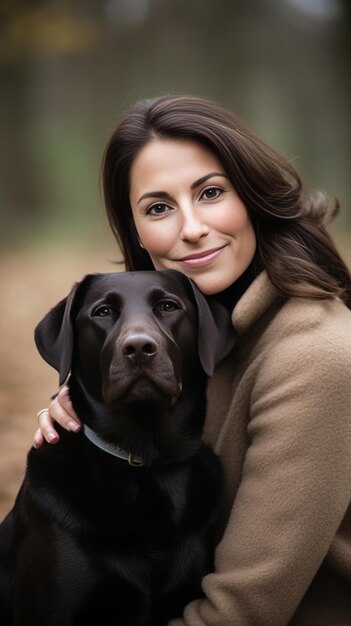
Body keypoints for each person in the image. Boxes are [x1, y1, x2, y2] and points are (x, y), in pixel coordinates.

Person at [34, 95, 351, 625]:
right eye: (159, 207)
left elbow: (242, 612)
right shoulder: (195, 327)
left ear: (251, 196)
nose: (192, 228)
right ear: (135, 229)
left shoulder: (317, 358)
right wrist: (89, 426)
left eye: (210, 193)